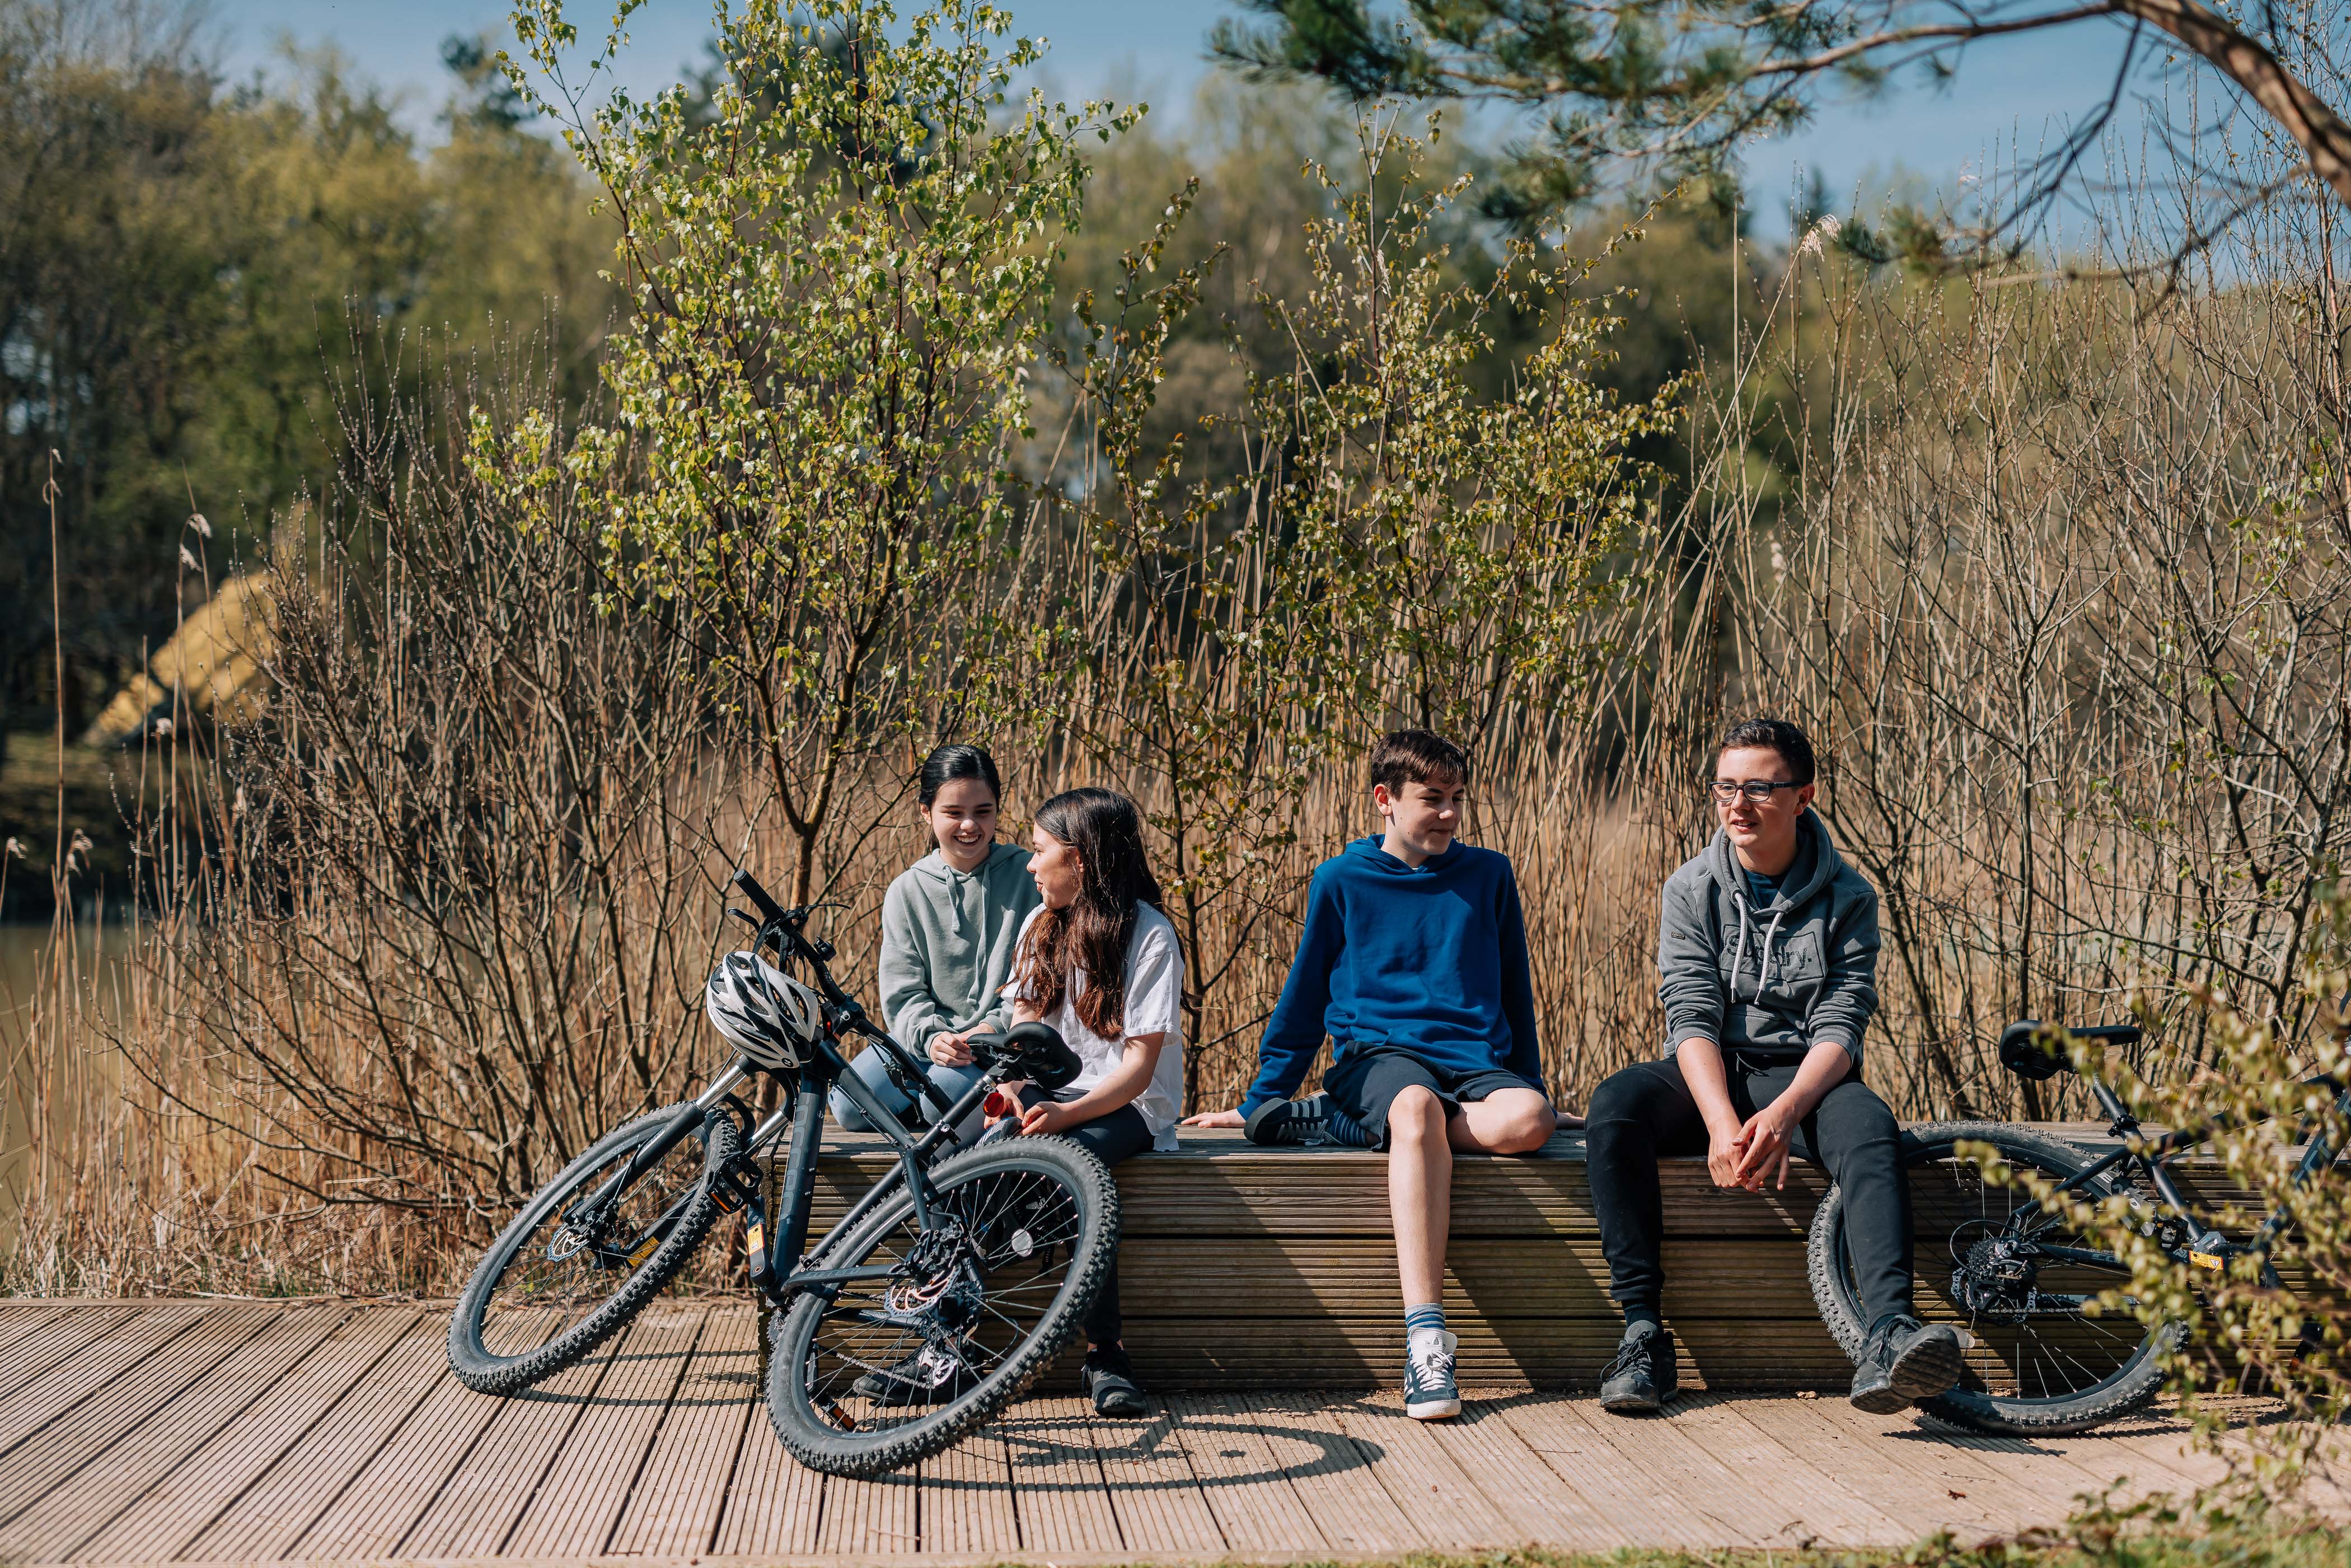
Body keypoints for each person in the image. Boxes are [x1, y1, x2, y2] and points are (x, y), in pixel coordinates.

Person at [1583, 716, 1962, 1416]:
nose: (1738, 804)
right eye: (1727, 786)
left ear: (1803, 796)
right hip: (1713, 1071)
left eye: (1759, 787)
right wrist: (1723, 1124)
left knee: (1872, 1127)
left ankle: (1889, 1332)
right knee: (1615, 1106)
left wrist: (1787, 1110)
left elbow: (1843, 1022)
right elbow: (1689, 1014)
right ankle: (1642, 1335)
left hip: (1809, 1075)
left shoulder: (1850, 896)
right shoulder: (1690, 887)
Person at [1186, 729, 1563, 1421]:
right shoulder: (1341, 879)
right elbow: (1303, 998)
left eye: (1456, 799)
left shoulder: (1489, 874)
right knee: (1415, 1106)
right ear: (1385, 800)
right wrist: (1260, 1098)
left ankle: (1344, 1121)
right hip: (1378, 1058)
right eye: (1432, 800)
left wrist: (1529, 1083)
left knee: (1530, 1121)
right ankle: (1426, 1335)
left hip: (1472, 1056)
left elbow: (1516, 990)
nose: (1449, 814)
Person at [986, 787, 1185, 1419]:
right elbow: (1021, 1031)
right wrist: (1023, 1094)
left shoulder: (1150, 935)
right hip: (1051, 1092)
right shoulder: (1039, 923)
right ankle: (949, 1337)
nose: (1029, 862)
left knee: (1077, 1168)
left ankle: (1107, 1351)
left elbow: (1137, 1070)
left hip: (1128, 1105)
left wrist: (1067, 1115)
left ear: (1078, 859)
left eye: (1039, 850)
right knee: (970, 1161)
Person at [830, 743, 1038, 1141]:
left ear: (998, 808)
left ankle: (949, 1125)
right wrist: (931, 1036)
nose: (969, 826)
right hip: (923, 1042)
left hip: (995, 1044)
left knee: (942, 1102)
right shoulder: (907, 890)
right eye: (953, 813)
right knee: (847, 1103)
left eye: (983, 812)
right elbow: (903, 991)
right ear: (926, 811)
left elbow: (1035, 981)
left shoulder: (1028, 876)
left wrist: (986, 1031)